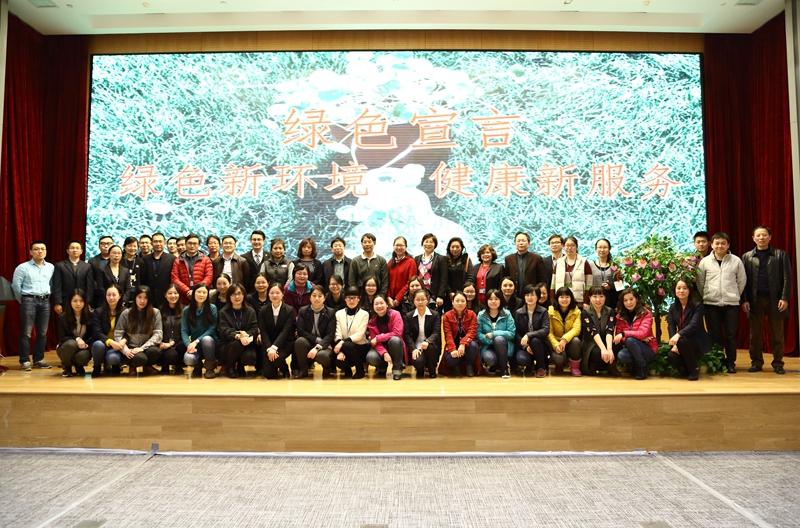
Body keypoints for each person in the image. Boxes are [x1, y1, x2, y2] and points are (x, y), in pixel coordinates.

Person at [741, 225, 793, 374]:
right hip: (754, 300)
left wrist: (784, 298)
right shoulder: (747, 257)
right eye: (758, 235)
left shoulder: (780, 255)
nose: (761, 238)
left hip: (775, 299)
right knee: (755, 335)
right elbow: (742, 281)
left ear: (770, 237)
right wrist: (745, 300)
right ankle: (756, 362)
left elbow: (787, 278)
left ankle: (778, 363)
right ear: (753, 238)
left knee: (777, 333)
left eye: (764, 235)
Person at [696, 232, 746, 373]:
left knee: (731, 336)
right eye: (717, 243)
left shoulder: (736, 261)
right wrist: (707, 295)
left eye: (723, 243)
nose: (720, 246)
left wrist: (733, 295)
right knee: (715, 335)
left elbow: (741, 281)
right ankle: (717, 362)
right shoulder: (705, 262)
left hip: (731, 305)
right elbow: (700, 282)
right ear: (712, 245)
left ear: (728, 245)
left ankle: (730, 363)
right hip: (711, 304)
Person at [12, 240, 55, 371]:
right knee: (26, 332)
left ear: (46, 251)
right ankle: (25, 360)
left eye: (42, 249)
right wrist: (24, 300)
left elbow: (51, 284)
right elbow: (16, 286)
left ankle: (39, 359)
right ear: (31, 252)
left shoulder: (51, 267)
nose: (40, 251)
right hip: (28, 300)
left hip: (45, 301)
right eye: (36, 249)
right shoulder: (22, 267)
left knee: (42, 332)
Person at [114, 285, 163, 377]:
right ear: (135, 298)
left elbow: (158, 334)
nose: (142, 301)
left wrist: (142, 348)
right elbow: (118, 334)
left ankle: (147, 366)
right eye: (139, 297)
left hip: (146, 347)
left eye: (145, 298)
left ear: (149, 299)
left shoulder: (155, 312)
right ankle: (132, 366)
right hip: (131, 348)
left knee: (155, 352)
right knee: (140, 358)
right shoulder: (126, 313)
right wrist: (125, 350)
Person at [667, 280, 710, 381]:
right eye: (678, 288)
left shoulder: (697, 305)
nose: (681, 291)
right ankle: (688, 369)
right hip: (682, 340)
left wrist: (678, 335)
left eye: (685, 288)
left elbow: (694, 325)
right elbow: (671, 326)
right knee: (671, 356)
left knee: (682, 341)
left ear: (689, 290)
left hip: (697, 340)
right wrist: (674, 344)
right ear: (675, 290)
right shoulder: (673, 307)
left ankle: (694, 370)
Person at [217, 283, 259, 378]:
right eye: (233, 294)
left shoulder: (250, 311)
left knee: (250, 356)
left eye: (239, 293)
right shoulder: (223, 312)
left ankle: (240, 365)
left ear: (244, 295)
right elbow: (223, 330)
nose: (237, 297)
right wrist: (238, 335)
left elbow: (254, 328)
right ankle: (230, 367)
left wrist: (247, 335)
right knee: (237, 343)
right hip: (228, 344)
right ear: (229, 297)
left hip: (246, 343)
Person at [614, 288, 657, 380]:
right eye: (625, 300)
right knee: (622, 355)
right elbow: (619, 337)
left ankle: (642, 367)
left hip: (648, 348)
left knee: (630, 340)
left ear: (636, 299)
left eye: (631, 299)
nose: (628, 302)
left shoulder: (646, 313)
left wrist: (624, 334)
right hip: (631, 347)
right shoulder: (620, 316)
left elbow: (643, 333)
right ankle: (637, 366)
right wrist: (636, 338)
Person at [294, 285, 336, 379]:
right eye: (314, 295)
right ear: (310, 297)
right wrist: (316, 340)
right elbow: (301, 331)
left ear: (324, 298)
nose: (317, 298)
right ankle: (303, 370)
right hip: (310, 342)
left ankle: (327, 369)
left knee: (322, 356)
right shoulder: (303, 311)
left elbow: (330, 335)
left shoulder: (331, 312)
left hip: (325, 344)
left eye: (320, 296)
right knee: (300, 341)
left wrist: (318, 347)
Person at [257, 282, 296, 379]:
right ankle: (281, 366)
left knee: (276, 359)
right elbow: (263, 332)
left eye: (277, 293)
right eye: (272, 293)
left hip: (284, 344)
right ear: (268, 294)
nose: (274, 295)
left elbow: (285, 332)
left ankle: (284, 367)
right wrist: (269, 348)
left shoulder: (290, 310)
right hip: (268, 344)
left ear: (282, 294)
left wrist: (274, 347)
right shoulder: (263, 310)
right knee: (269, 375)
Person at [366, 294, 407, 380]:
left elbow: (397, 333)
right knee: (371, 357)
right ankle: (382, 367)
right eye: (376, 304)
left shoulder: (395, 314)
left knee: (395, 340)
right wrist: (384, 353)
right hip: (381, 347)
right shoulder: (371, 321)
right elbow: (374, 342)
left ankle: (397, 368)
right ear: (373, 306)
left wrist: (378, 338)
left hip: (395, 346)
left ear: (387, 304)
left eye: (381, 303)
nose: (379, 306)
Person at [181, 283, 218, 379]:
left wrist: (197, 341)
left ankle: (210, 368)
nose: (201, 294)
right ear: (194, 293)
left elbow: (212, 328)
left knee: (206, 339)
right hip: (194, 344)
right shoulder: (186, 310)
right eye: (199, 292)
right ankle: (197, 366)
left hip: (209, 343)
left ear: (207, 294)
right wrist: (188, 344)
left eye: (204, 292)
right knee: (188, 359)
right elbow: (184, 330)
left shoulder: (212, 308)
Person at [477, 289, 516, 378]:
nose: (493, 301)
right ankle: (496, 365)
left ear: (500, 300)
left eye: (496, 299)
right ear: (486, 301)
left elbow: (511, 333)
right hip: (488, 346)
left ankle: (504, 369)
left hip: (505, 346)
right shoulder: (481, 315)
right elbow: (478, 334)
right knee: (489, 359)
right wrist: (492, 342)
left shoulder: (507, 314)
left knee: (499, 339)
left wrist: (494, 334)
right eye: (490, 299)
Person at [333, 286, 370, 379]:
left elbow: (360, 334)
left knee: (347, 345)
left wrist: (342, 343)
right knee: (338, 360)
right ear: (345, 299)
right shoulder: (339, 313)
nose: (351, 300)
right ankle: (347, 370)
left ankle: (360, 370)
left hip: (360, 347)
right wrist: (341, 350)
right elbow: (337, 333)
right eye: (349, 298)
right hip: (344, 346)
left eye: (354, 298)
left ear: (358, 299)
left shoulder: (364, 314)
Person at [439, 290, 479, 377]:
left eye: (462, 301)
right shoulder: (447, 315)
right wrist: (452, 349)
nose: (460, 303)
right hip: (453, 344)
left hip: (467, 344)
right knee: (451, 359)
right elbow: (448, 335)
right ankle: (455, 366)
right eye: (457, 301)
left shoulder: (472, 314)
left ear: (466, 302)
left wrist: (463, 344)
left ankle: (469, 365)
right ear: (452, 302)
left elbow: (472, 332)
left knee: (473, 346)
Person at [88, 284, 125, 377]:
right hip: (103, 343)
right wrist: (110, 342)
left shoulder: (125, 312)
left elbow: (128, 331)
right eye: (108, 295)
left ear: (120, 296)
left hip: (118, 344)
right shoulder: (98, 312)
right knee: (98, 345)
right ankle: (97, 366)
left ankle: (116, 365)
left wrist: (123, 341)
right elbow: (97, 333)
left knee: (113, 358)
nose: (111, 297)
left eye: (114, 295)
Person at [51, 240, 95, 318]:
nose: (75, 250)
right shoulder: (60, 265)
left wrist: (88, 302)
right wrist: (58, 303)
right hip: (65, 302)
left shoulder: (87, 266)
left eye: (77, 248)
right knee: (65, 322)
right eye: (72, 248)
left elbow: (90, 286)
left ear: (81, 251)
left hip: (82, 301)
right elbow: (57, 285)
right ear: (67, 251)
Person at [404, 288, 441, 379]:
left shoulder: (435, 315)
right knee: (418, 362)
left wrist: (428, 341)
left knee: (430, 347)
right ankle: (420, 369)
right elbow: (407, 335)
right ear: (414, 301)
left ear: (427, 300)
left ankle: (432, 369)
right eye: (417, 299)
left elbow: (436, 332)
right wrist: (413, 349)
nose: (420, 302)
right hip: (417, 347)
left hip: (431, 346)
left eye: (423, 299)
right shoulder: (409, 316)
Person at [514, 284, 550, 377]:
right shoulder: (519, 312)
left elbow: (545, 330)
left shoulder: (543, 311)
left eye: (533, 295)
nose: (530, 298)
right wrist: (526, 347)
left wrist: (528, 335)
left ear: (537, 297)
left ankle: (541, 367)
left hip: (541, 345)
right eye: (527, 295)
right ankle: (529, 365)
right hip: (524, 345)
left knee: (534, 340)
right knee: (521, 359)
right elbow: (516, 333)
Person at [580, 286, 618, 376]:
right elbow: (593, 332)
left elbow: (609, 330)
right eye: (594, 296)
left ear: (605, 297)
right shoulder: (585, 312)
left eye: (601, 296)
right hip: (591, 343)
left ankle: (608, 367)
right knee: (597, 352)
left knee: (616, 347)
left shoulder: (610, 311)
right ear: (590, 297)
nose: (598, 300)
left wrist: (609, 349)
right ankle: (594, 366)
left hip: (606, 341)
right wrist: (603, 349)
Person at [56, 289, 92, 377]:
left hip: (83, 348)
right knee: (71, 344)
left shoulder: (90, 316)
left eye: (81, 301)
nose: (78, 304)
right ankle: (67, 367)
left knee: (84, 355)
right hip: (66, 347)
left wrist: (86, 344)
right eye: (75, 301)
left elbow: (92, 335)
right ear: (70, 302)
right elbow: (62, 338)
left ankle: (79, 366)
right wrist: (77, 339)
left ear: (85, 302)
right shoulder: (62, 317)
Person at [548, 286, 582, 376]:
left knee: (576, 341)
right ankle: (559, 365)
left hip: (569, 341)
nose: (564, 299)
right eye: (561, 297)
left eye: (567, 297)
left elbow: (577, 329)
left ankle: (575, 367)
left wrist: (564, 339)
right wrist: (556, 345)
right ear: (557, 298)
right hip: (556, 341)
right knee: (559, 359)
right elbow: (549, 332)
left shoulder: (577, 311)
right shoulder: (550, 311)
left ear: (571, 298)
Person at [170, 233, 213, 304]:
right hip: (184, 296)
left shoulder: (206, 259)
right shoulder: (178, 260)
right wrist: (187, 291)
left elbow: (209, 277)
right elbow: (175, 278)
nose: (192, 246)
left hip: (201, 295)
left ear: (198, 245)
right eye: (190, 243)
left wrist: (197, 290)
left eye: (195, 243)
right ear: (186, 244)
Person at [550, 236, 592, 308]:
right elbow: (553, 284)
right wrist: (553, 300)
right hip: (561, 301)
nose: (570, 248)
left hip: (579, 301)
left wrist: (586, 301)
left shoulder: (584, 262)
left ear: (576, 247)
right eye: (567, 245)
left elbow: (589, 285)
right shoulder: (559, 262)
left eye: (572, 245)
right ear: (563, 246)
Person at [140, 232, 176, 309]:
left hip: (166, 298)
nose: (158, 244)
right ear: (151, 243)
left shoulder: (172, 259)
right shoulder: (144, 259)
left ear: (164, 243)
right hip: (149, 297)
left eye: (160, 241)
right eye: (155, 241)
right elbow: (142, 279)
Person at [503, 231, 545, 298]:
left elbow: (542, 280)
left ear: (528, 243)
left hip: (531, 295)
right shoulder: (508, 259)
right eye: (518, 241)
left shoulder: (537, 258)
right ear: (515, 243)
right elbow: (506, 278)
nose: (521, 243)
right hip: (513, 295)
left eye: (523, 241)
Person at [415, 233, 448, 309]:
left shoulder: (441, 259)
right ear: (422, 243)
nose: (428, 244)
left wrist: (440, 296)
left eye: (431, 242)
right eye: (426, 241)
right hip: (420, 294)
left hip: (434, 295)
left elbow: (444, 278)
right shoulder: (417, 258)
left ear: (435, 244)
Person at [158, 283, 186, 375]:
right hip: (163, 344)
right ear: (165, 295)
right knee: (170, 355)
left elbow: (186, 331)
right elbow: (156, 330)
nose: (173, 296)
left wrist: (172, 343)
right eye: (170, 293)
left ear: (179, 295)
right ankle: (164, 366)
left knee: (183, 346)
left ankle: (179, 366)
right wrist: (161, 343)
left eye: (175, 293)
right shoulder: (159, 311)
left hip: (178, 344)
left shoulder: (185, 310)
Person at [387, 236, 417, 309]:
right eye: (397, 245)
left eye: (401, 245)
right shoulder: (390, 263)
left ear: (406, 247)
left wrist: (398, 298)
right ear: (393, 246)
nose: (399, 247)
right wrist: (388, 297)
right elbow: (386, 281)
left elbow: (410, 282)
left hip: (404, 300)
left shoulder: (411, 262)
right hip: (390, 301)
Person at [589, 238, 619, 310]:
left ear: (609, 249)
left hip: (611, 302)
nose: (602, 250)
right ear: (596, 249)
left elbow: (619, 286)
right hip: (595, 301)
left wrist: (610, 286)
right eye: (600, 247)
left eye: (605, 247)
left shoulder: (614, 266)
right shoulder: (590, 265)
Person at [444, 237, 472, 311]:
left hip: (463, 296)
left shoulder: (467, 260)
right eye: (452, 247)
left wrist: (463, 293)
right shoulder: (445, 260)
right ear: (449, 248)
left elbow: (470, 277)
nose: (455, 249)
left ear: (462, 248)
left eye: (457, 247)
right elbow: (444, 278)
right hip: (449, 296)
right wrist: (450, 292)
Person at [89, 235, 113, 307]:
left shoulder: (119, 260)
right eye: (103, 244)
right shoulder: (92, 261)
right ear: (99, 246)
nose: (106, 246)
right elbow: (91, 281)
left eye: (108, 243)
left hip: (115, 295)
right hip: (98, 298)